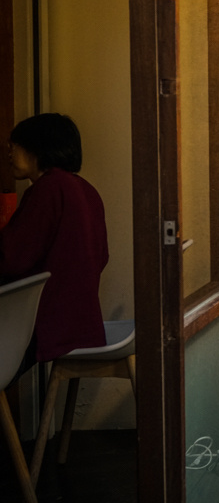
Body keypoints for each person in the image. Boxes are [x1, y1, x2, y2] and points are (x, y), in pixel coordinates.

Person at [0, 113, 108, 373]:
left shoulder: (47, 189)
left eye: (14, 147)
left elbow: (12, 258)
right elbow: (102, 256)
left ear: (37, 148)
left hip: (47, 324)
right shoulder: (85, 189)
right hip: (80, 321)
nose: (9, 155)